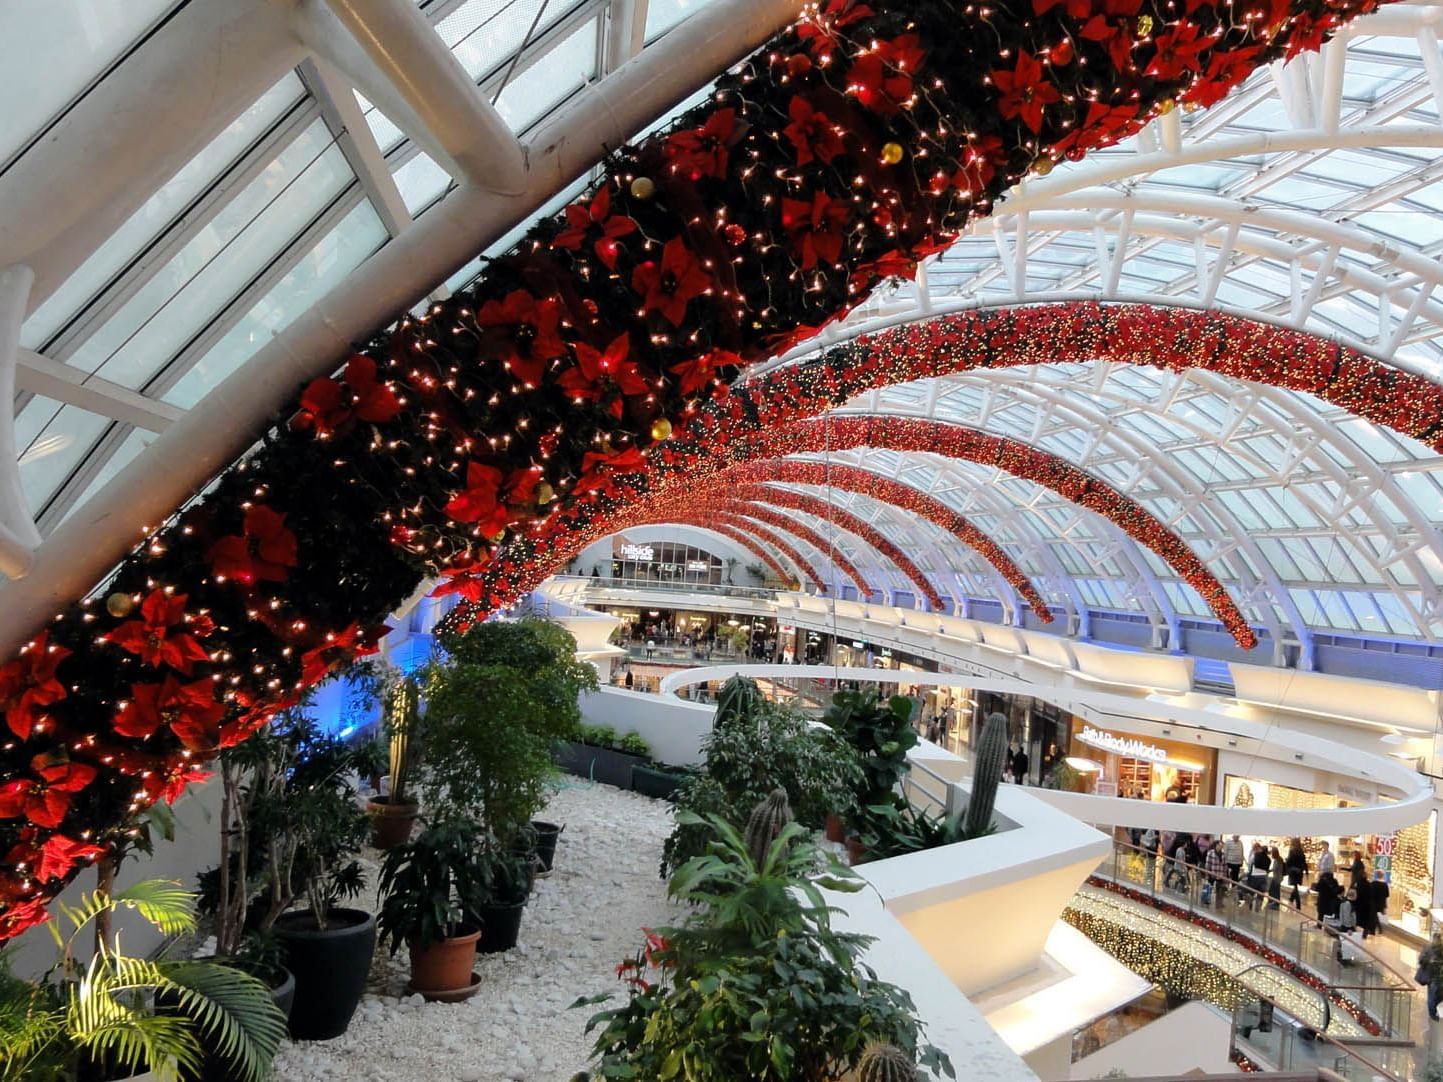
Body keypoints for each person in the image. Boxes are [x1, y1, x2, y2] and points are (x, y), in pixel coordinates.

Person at [1419, 932, 1443, 1021]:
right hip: (1432, 977)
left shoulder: (1440, 949)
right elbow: (1421, 960)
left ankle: (1435, 1010)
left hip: (1439, 977)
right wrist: (1430, 961)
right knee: (1432, 995)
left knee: (1438, 995)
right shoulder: (1428, 949)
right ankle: (1432, 1013)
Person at [1204, 838, 1228, 908]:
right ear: (1216, 845)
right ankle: (1206, 900)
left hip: (1220, 874)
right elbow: (1208, 864)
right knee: (1209, 887)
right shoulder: (1210, 853)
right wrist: (1207, 874)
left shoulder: (1223, 854)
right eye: (1220, 845)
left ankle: (1219, 903)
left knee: (1220, 889)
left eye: (1222, 846)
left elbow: (1225, 866)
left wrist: (1225, 876)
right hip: (1212, 873)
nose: (1221, 847)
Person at [1285, 839, 1308, 908]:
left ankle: (1298, 904)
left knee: (1295, 887)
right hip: (1299, 871)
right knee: (1295, 885)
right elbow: (1304, 862)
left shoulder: (1292, 851)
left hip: (1293, 871)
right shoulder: (1301, 851)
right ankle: (1291, 898)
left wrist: (1286, 864)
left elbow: (1289, 861)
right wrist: (1306, 872)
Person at [1247, 842, 1271, 907]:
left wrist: (1249, 871)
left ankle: (1249, 906)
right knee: (1261, 894)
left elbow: (1250, 863)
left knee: (1251, 892)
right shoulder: (1268, 859)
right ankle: (1258, 909)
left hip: (1254, 876)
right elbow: (1267, 869)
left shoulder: (1255, 855)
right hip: (1263, 877)